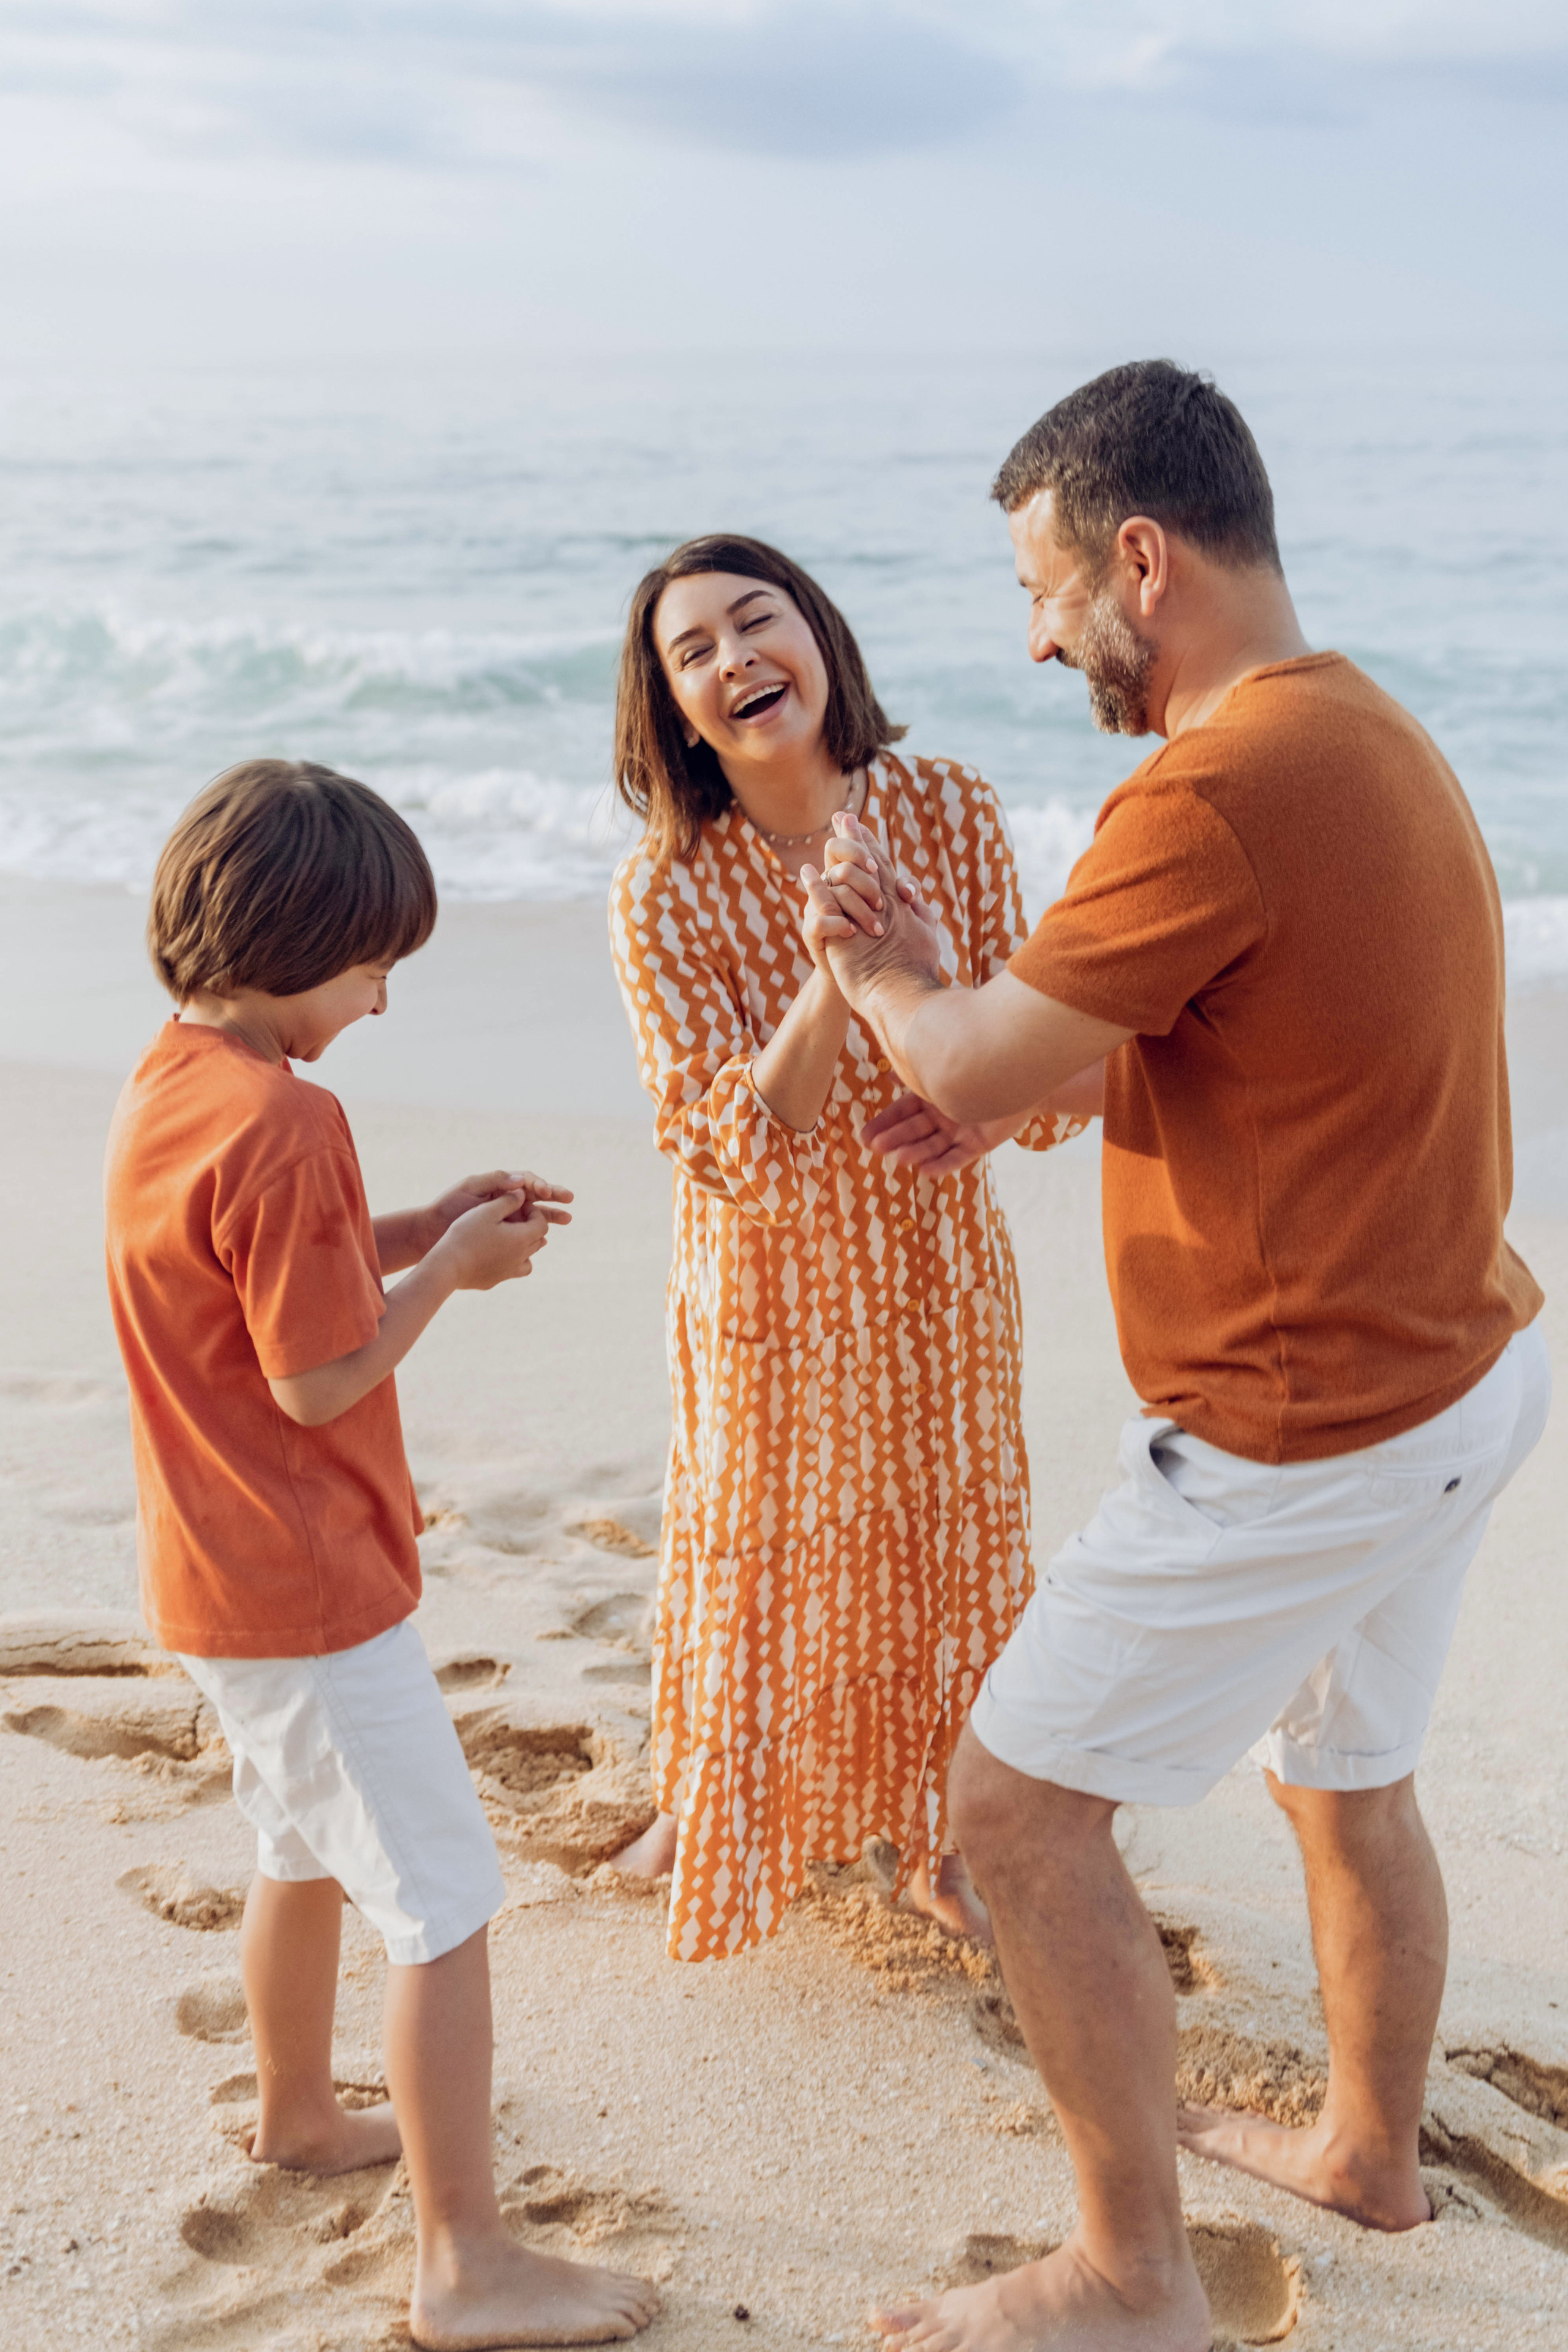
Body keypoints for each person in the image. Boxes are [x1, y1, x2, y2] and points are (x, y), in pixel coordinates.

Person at [801, 363, 1550, 2352]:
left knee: (1017, 1816)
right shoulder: (1357, 727)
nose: (1036, 632)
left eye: (1047, 586)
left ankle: (1132, 2280)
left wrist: (880, 972)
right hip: (1461, 1364)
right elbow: (1132, 1048)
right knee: (1350, 1776)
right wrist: (981, 1053)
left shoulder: (1211, 788)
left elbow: (969, 1063)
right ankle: (1369, 2156)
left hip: (1308, 1427)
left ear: (1142, 555)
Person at [104, 760, 658, 2351]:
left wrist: (416, 1220)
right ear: (295, 943)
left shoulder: (175, 1082)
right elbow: (318, 1372)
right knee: (443, 1897)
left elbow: (263, 1277)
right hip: (309, 1590)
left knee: (294, 1847)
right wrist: (454, 1281)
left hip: (215, 1583)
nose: (386, 999)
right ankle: (463, 2262)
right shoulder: (286, 1118)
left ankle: (293, 2112)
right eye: (373, 966)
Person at [606, 534, 1096, 1962]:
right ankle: (713, 1802)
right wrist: (834, 986)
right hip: (766, 1276)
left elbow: (1019, 1034)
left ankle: (940, 1837)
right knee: (748, 1553)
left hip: (931, 1258)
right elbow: (725, 1152)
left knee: (947, 1548)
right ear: (671, 708)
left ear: (817, 637)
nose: (732, 660)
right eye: (690, 652)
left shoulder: (945, 804)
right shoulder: (663, 892)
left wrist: (993, 1116)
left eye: (754, 623)